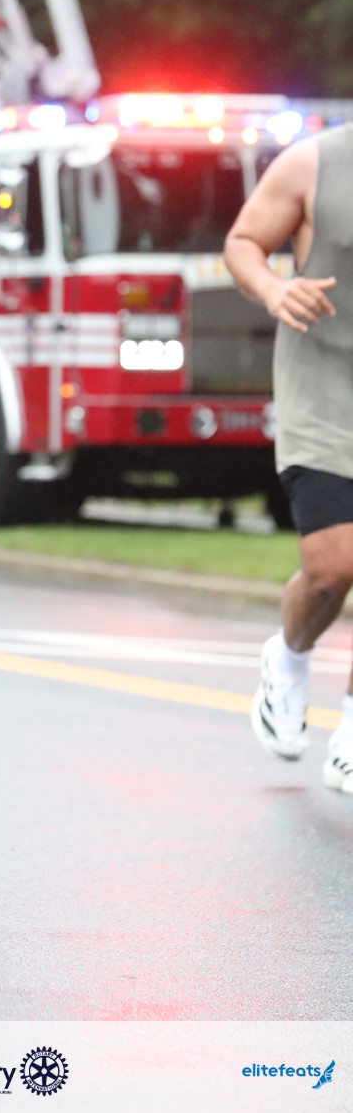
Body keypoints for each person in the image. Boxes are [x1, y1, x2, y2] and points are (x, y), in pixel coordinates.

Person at [225, 122, 353, 790]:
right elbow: (243, 242)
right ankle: (289, 658)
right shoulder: (316, 163)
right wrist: (275, 289)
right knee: (332, 569)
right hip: (322, 388)